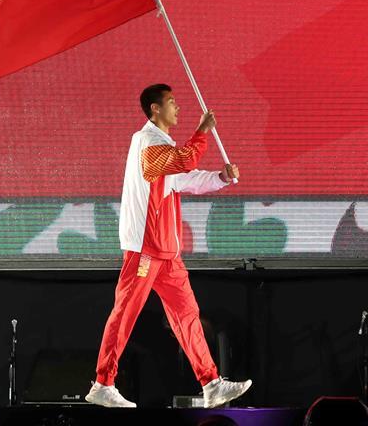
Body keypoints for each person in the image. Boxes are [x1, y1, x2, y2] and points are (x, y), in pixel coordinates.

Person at [85, 84, 252, 409]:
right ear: (155, 109)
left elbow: (186, 178)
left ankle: (211, 384)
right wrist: (202, 132)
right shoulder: (146, 142)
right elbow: (180, 161)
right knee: (126, 314)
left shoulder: (164, 146)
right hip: (145, 248)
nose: (177, 106)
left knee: (187, 316)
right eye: (171, 102)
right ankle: (103, 383)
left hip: (167, 252)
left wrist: (220, 176)